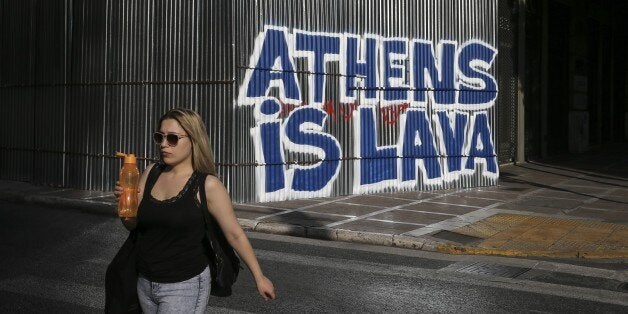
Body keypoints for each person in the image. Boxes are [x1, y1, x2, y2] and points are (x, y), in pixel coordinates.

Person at [113, 108, 275, 313]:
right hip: (145, 282)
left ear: (193, 140)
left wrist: (259, 277)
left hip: (184, 287)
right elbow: (133, 226)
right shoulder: (151, 173)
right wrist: (125, 206)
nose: (163, 144)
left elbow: (235, 234)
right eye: (159, 137)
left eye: (173, 138)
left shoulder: (207, 185)